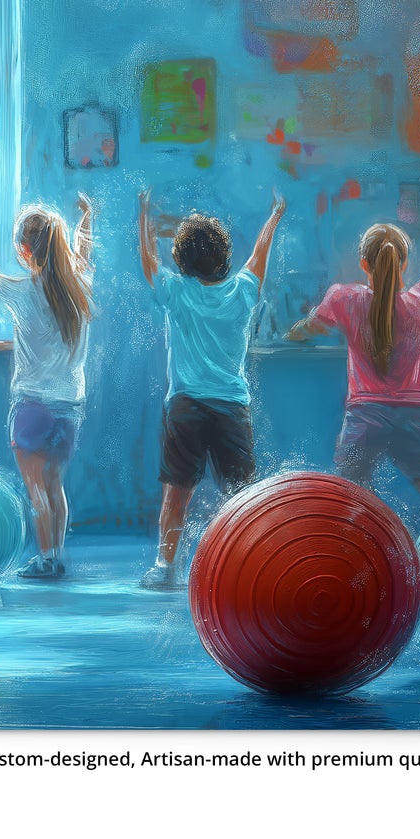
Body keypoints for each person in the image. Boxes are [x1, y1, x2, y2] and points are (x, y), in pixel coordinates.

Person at [136, 191, 287, 589]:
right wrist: (275, 215)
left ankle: (164, 567)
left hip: (185, 406)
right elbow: (260, 252)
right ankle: (250, 567)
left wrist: (144, 215)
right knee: (241, 496)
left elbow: (149, 262)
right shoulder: (243, 292)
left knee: (177, 493)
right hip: (231, 408)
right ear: (224, 257)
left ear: (181, 259)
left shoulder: (176, 292)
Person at [287, 211, 420, 510]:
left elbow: (306, 330)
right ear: (403, 263)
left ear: (364, 263)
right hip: (415, 416)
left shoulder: (343, 298)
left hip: (365, 417)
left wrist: (293, 333)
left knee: (348, 501)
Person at [0, 196, 94, 578]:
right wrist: (87, 218)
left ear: (24, 250)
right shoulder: (80, 287)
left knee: (36, 488)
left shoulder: (22, 293)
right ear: (59, 244)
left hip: (32, 406)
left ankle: (46, 559)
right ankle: (58, 557)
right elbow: (81, 254)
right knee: (56, 485)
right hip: (70, 406)